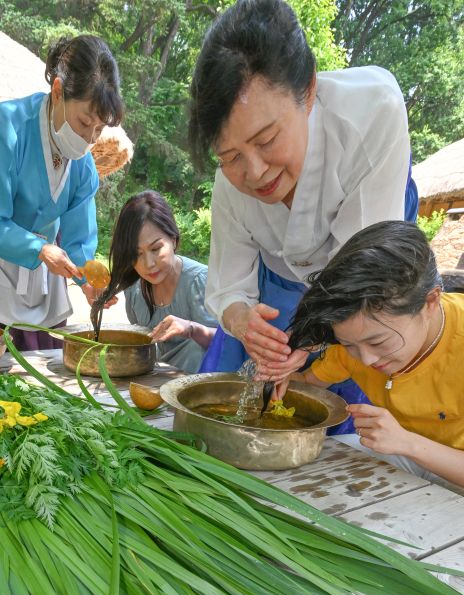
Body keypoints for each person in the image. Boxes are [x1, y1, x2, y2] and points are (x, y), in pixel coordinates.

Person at [188, 0, 419, 429]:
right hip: (277, 288)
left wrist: (313, 337)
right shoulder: (230, 184)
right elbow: (230, 287)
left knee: (348, 405)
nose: (254, 172)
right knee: (235, 406)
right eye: (230, 156)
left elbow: (359, 280)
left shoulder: (372, 116)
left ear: (309, 90)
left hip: (368, 276)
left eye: (267, 139)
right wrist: (244, 322)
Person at [0, 35, 123, 351]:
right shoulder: (3, 127)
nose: (89, 138)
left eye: (99, 129)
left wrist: (88, 280)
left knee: (45, 353)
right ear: (58, 91)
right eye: (85, 122)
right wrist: (40, 250)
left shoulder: (82, 167)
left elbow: (79, 240)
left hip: (43, 253)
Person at [278, 220, 464, 489]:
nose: (365, 359)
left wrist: (407, 442)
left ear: (430, 302)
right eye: (349, 345)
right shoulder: (355, 337)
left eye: (379, 342)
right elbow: (307, 384)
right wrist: (279, 377)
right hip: (404, 451)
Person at [91, 191, 218, 372]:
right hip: (155, 383)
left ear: (173, 239)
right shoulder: (134, 291)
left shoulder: (199, 282)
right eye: (137, 254)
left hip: (202, 387)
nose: (148, 264)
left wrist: (191, 329)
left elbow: (229, 345)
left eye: (156, 249)